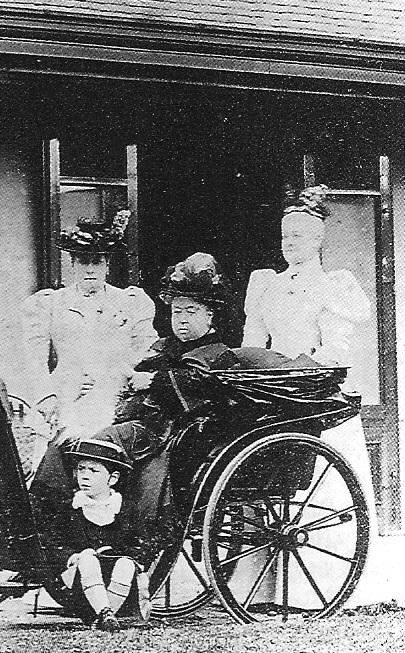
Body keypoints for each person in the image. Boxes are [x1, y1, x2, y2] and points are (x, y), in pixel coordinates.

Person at [31, 252, 241, 534]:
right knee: (66, 439)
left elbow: (203, 385)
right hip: (139, 423)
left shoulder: (218, 353)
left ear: (210, 315)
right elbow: (134, 371)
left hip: (171, 432)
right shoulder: (165, 347)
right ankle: (48, 524)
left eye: (191, 312)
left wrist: (154, 381)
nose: (181, 319)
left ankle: (95, 528)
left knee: (97, 444)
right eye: (176, 312)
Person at [242, 184, 378, 538]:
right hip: (270, 386)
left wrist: (298, 374)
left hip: (313, 388)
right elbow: (252, 344)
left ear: (318, 240)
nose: (288, 243)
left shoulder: (332, 285)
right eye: (285, 236)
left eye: (298, 236)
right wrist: (252, 376)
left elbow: (335, 350)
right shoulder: (266, 284)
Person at [20, 210, 156, 441]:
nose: (90, 269)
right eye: (83, 262)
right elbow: (35, 357)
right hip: (65, 399)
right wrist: (46, 395)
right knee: (59, 453)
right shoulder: (50, 303)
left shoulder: (130, 302)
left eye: (97, 262)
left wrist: (115, 378)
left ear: (107, 265)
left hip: (115, 398)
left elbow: (146, 350)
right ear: (73, 265)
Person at [53, 435, 156, 631]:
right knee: (87, 560)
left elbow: (142, 544)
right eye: (81, 469)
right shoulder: (72, 508)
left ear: (113, 478)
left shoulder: (124, 509)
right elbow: (55, 542)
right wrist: (72, 556)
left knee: (125, 564)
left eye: (93, 471)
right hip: (84, 582)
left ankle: (107, 615)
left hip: (119, 581)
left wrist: (128, 556)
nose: (84, 476)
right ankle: (103, 613)